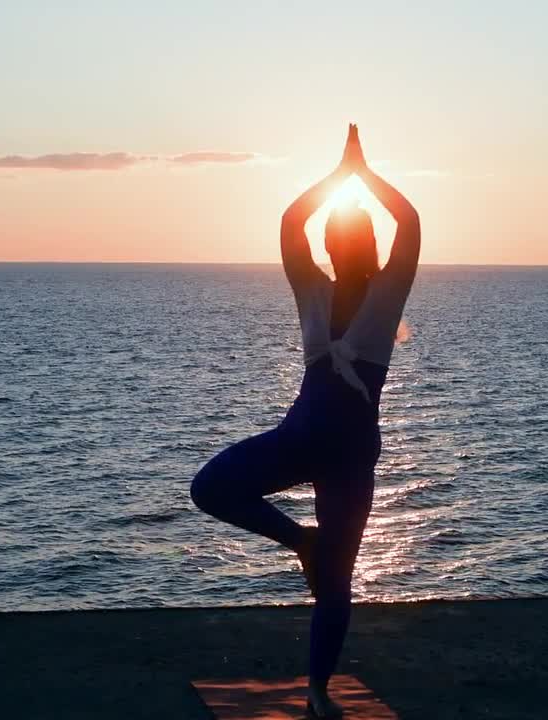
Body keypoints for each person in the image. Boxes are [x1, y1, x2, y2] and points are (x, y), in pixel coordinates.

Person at [190, 124, 420, 718]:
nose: (340, 247)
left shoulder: (388, 293)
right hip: (301, 435)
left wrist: (365, 177)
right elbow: (292, 223)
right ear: (327, 248)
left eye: (352, 237)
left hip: (350, 454)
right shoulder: (311, 291)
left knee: (338, 580)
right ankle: (300, 541)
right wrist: (335, 177)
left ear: (366, 247)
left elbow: (411, 225)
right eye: (333, 238)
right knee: (210, 487)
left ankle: (318, 690)